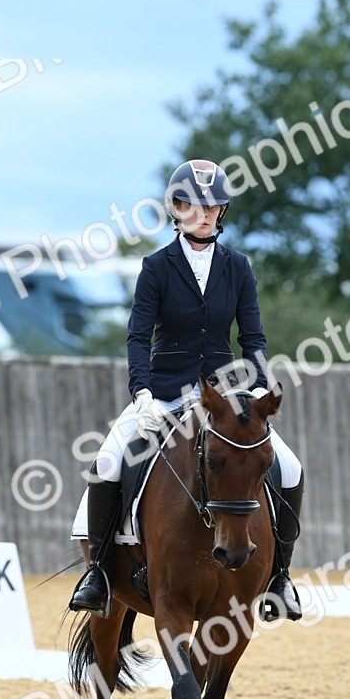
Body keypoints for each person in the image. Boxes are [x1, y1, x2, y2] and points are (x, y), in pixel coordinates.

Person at [69, 158, 305, 621]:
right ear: (176, 209)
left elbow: (253, 340)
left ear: (222, 211)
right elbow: (139, 337)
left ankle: (280, 577)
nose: (203, 214)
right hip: (164, 392)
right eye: (192, 205)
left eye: (212, 206)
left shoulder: (238, 268)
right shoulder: (156, 267)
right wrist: (141, 395)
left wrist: (255, 393)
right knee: (109, 460)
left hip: (223, 397)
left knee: (291, 467)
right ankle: (98, 572)